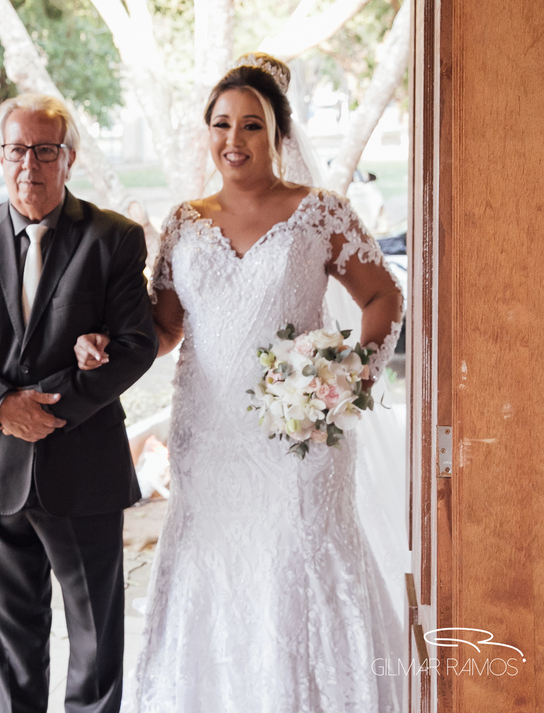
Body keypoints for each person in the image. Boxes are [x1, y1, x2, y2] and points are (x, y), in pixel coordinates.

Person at [75, 54, 406, 712]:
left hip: (299, 441)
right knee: (217, 578)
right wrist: (106, 341)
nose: (234, 140)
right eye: (221, 124)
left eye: (251, 125)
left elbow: (383, 299)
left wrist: (341, 381)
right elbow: (165, 330)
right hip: (211, 442)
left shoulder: (321, 215)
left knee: (294, 574)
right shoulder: (184, 224)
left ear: (278, 134)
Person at [0, 94, 158, 713]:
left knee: (96, 640)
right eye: (18, 149)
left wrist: (49, 409)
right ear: (0, 157)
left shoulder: (114, 239)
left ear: (69, 158)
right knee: (13, 641)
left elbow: (136, 345)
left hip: (83, 470)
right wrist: (1, 406)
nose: (31, 164)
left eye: (45, 150)